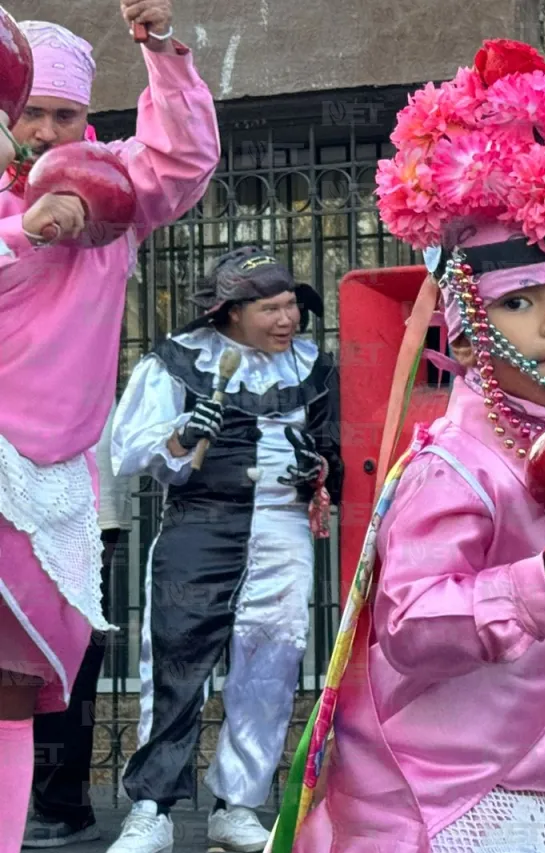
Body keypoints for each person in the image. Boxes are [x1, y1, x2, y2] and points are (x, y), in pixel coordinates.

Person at [282, 40, 545, 853]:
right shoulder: (456, 465)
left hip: (530, 780)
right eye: (521, 299)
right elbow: (415, 623)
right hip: (437, 798)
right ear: (471, 317)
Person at [0, 4, 218, 852]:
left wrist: (159, 49)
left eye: (68, 114)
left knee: (15, 686)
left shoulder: (112, 185)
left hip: (50, 474)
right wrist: (28, 231)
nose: (50, 128)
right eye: (34, 112)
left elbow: (184, 158)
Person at [107, 247, 341, 853]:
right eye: (271, 308)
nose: (287, 318)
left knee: (272, 662)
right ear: (230, 313)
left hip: (284, 525)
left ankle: (237, 804)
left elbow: (336, 446)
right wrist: (182, 434)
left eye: (292, 304)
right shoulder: (174, 363)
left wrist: (321, 466)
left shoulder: (315, 366)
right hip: (199, 523)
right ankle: (152, 808)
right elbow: (127, 451)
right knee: (177, 661)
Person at [23, 402, 131, 849]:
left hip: (79, 506)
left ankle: (61, 805)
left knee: (62, 660)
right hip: (24, 497)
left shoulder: (74, 337)